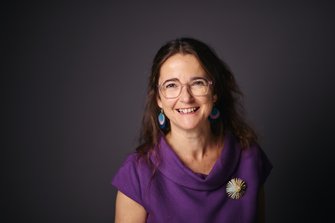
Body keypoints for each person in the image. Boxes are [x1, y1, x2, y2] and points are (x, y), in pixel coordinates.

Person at [111, 37, 272, 223]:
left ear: (215, 92)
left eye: (197, 83)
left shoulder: (249, 157)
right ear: (159, 99)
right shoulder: (137, 172)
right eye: (171, 85)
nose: (186, 98)